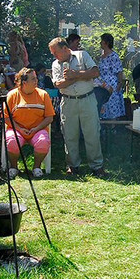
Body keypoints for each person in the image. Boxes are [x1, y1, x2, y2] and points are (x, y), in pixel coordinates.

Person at [49, 37, 105, 176]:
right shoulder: (56, 64)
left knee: (92, 133)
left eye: (55, 52)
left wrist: (75, 74)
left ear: (65, 48)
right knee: (69, 135)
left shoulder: (83, 55)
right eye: (52, 53)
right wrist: (82, 76)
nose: (54, 55)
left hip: (87, 99)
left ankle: (97, 166)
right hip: (68, 101)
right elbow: (58, 84)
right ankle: (73, 166)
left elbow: (95, 73)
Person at [5, 67, 55, 178]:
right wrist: (19, 128)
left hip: (38, 130)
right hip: (17, 129)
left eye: (36, 78)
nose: (36, 81)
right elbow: (6, 117)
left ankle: (36, 167)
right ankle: (13, 167)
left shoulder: (43, 95)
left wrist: (36, 129)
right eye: (33, 79)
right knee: (12, 142)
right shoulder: (12, 95)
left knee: (43, 142)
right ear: (24, 82)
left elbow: (49, 118)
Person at [96, 33, 126, 119]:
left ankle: (113, 127)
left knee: (112, 105)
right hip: (102, 84)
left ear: (107, 43)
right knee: (102, 105)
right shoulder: (101, 56)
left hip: (111, 84)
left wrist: (119, 84)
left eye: (102, 41)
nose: (100, 43)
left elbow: (119, 71)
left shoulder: (114, 56)